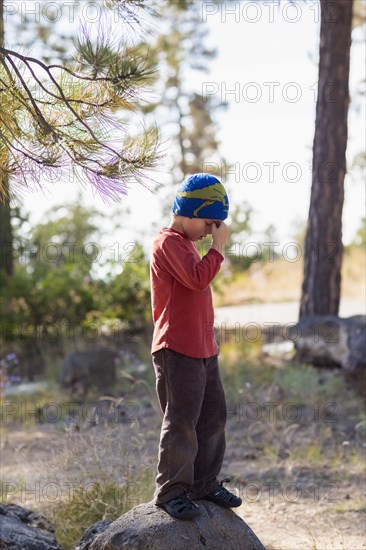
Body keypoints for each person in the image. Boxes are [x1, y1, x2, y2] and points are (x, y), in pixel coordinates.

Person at [149, 173, 242, 520]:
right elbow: (197, 278)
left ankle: (204, 483)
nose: (210, 231)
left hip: (204, 348)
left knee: (213, 415)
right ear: (188, 211)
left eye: (215, 226)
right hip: (176, 348)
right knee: (182, 420)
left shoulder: (187, 243)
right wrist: (218, 248)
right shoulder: (168, 242)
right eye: (208, 222)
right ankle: (171, 491)